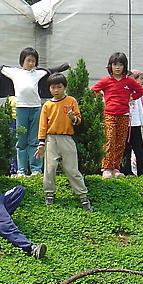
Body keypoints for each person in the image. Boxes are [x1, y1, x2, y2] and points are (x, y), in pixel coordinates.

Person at [0, 47, 69, 177]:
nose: (30, 63)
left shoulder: (38, 73)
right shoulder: (14, 72)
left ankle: (36, 169)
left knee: (35, 140)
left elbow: (52, 70)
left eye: (33, 61)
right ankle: (21, 170)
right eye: (28, 60)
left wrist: (65, 66)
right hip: (21, 108)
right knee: (21, 141)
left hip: (36, 108)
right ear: (22, 60)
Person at [35, 73, 92, 212]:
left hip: (66, 138)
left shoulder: (71, 101)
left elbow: (78, 120)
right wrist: (41, 143)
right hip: (51, 139)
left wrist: (73, 117)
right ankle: (49, 193)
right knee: (50, 167)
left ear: (64, 87)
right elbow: (43, 125)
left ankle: (83, 196)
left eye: (59, 87)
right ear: (49, 89)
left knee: (71, 168)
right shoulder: (47, 105)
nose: (56, 90)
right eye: (53, 87)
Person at [91, 52, 143, 178]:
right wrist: (102, 102)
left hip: (124, 115)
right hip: (109, 115)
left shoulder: (129, 81)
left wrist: (131, 97)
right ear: (110, 66)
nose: (118, 67)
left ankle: (116, 167)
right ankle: (106, 168)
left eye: (120, 64)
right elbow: (93, 91)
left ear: (125, 66)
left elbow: (141, 91)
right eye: (115, 64)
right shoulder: (106, 81)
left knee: (120, 142)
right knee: (109, 140)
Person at [121, 70, 143, 176]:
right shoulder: (120, 93)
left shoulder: (136, 94)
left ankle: (142, 173)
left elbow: (140, 110)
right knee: (125, 151)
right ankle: (127, 172)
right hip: (124, 125)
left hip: (136, 126)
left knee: (139, 151)